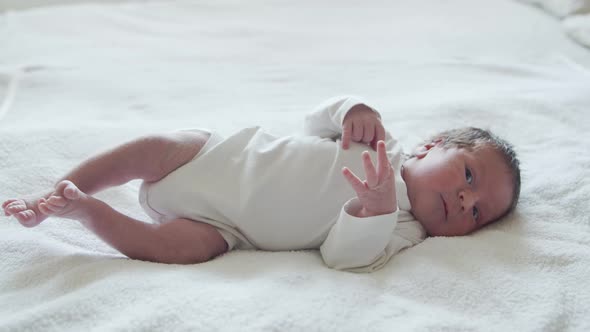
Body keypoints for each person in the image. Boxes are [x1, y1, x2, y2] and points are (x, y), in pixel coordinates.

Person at [2, 96, 521, 272]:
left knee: (177, 250)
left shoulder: (403, 230)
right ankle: (58, 191)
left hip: (223, 226)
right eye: (469, 176)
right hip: (219, 156)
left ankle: (89, 213)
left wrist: (374, 209)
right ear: (430, 147)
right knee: (150, 147)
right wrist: (349, 109)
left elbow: (341, 258)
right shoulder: (379, 140)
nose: (465, 200)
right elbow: (314, 123)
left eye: (478, 212)